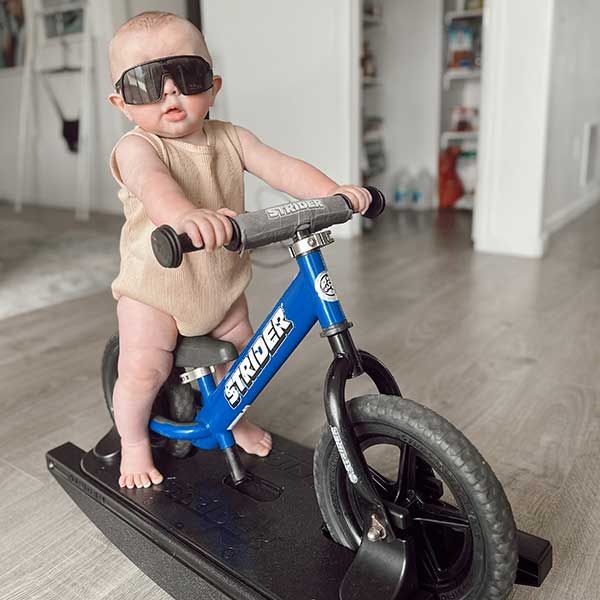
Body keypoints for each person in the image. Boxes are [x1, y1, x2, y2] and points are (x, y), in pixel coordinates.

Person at [107, 11, 372, 490]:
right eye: (147, 82)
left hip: (221, 285)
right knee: (144, 370)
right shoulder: (137, 147)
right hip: (156, 291)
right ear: (122, 103)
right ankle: (132, 441)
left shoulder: (232, 138)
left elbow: (282, 167)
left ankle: (232, 419)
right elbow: (154, 185)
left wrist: (334, 193)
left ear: (213, 85)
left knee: (245, 363)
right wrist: (186, 217)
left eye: (185, 75)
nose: (170, 92)